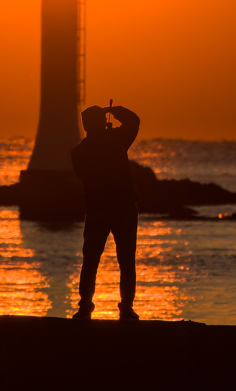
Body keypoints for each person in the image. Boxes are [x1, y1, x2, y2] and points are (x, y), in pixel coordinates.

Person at [70, 103, 141, 320]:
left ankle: (85, 308)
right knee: (126, 261)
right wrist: (116, 111)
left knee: (90, 261)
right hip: (124, 209)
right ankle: (127, 309)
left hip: (97, 211)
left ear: (85, 126)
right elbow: (134, 122)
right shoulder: (116, 141)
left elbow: (84, 175)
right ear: (102, 122)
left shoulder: (78, 151)